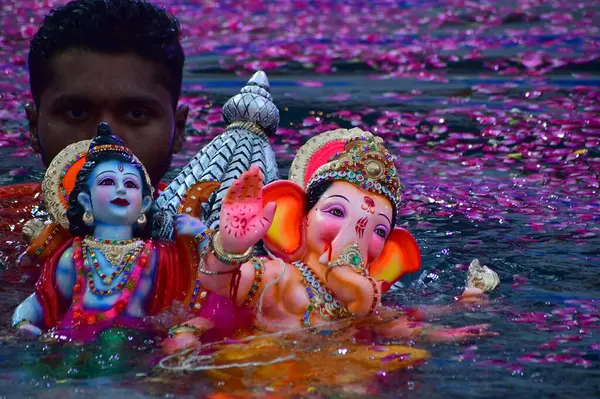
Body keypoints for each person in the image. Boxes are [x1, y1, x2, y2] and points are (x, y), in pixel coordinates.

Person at [0, 0, 188, 272]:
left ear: (178, 130)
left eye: (136, 114)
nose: (106, 140)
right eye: (76, 112)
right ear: (33, 129)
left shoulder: (217, 243)